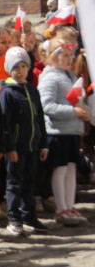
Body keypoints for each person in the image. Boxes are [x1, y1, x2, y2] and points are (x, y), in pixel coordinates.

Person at [37, 39, 90, 226]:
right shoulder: (50, 77)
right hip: (58, 131)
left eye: (70, 55)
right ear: (52, 57)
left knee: (70, 169)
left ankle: (70, 206)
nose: (69, 59)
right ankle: (61, 208)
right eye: (64, 55)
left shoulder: (70, 76)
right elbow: (46, 105)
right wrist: (73, 112)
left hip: (72, 131)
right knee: (60, 169)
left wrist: (84, 112)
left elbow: (77, 100)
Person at [0, 47, 49, 236]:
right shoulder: (7, 93)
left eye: (23, 66)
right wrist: (9, 147)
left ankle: (29, 215)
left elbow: (40, 119)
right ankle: (13, 218)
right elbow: (5, 123)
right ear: (9, 69)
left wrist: (43, 143)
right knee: (14, 183)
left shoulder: (32, 91)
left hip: (32, 146)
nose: (20, 71)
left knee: (30, 182)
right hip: (16, 148)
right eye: (16, 67)